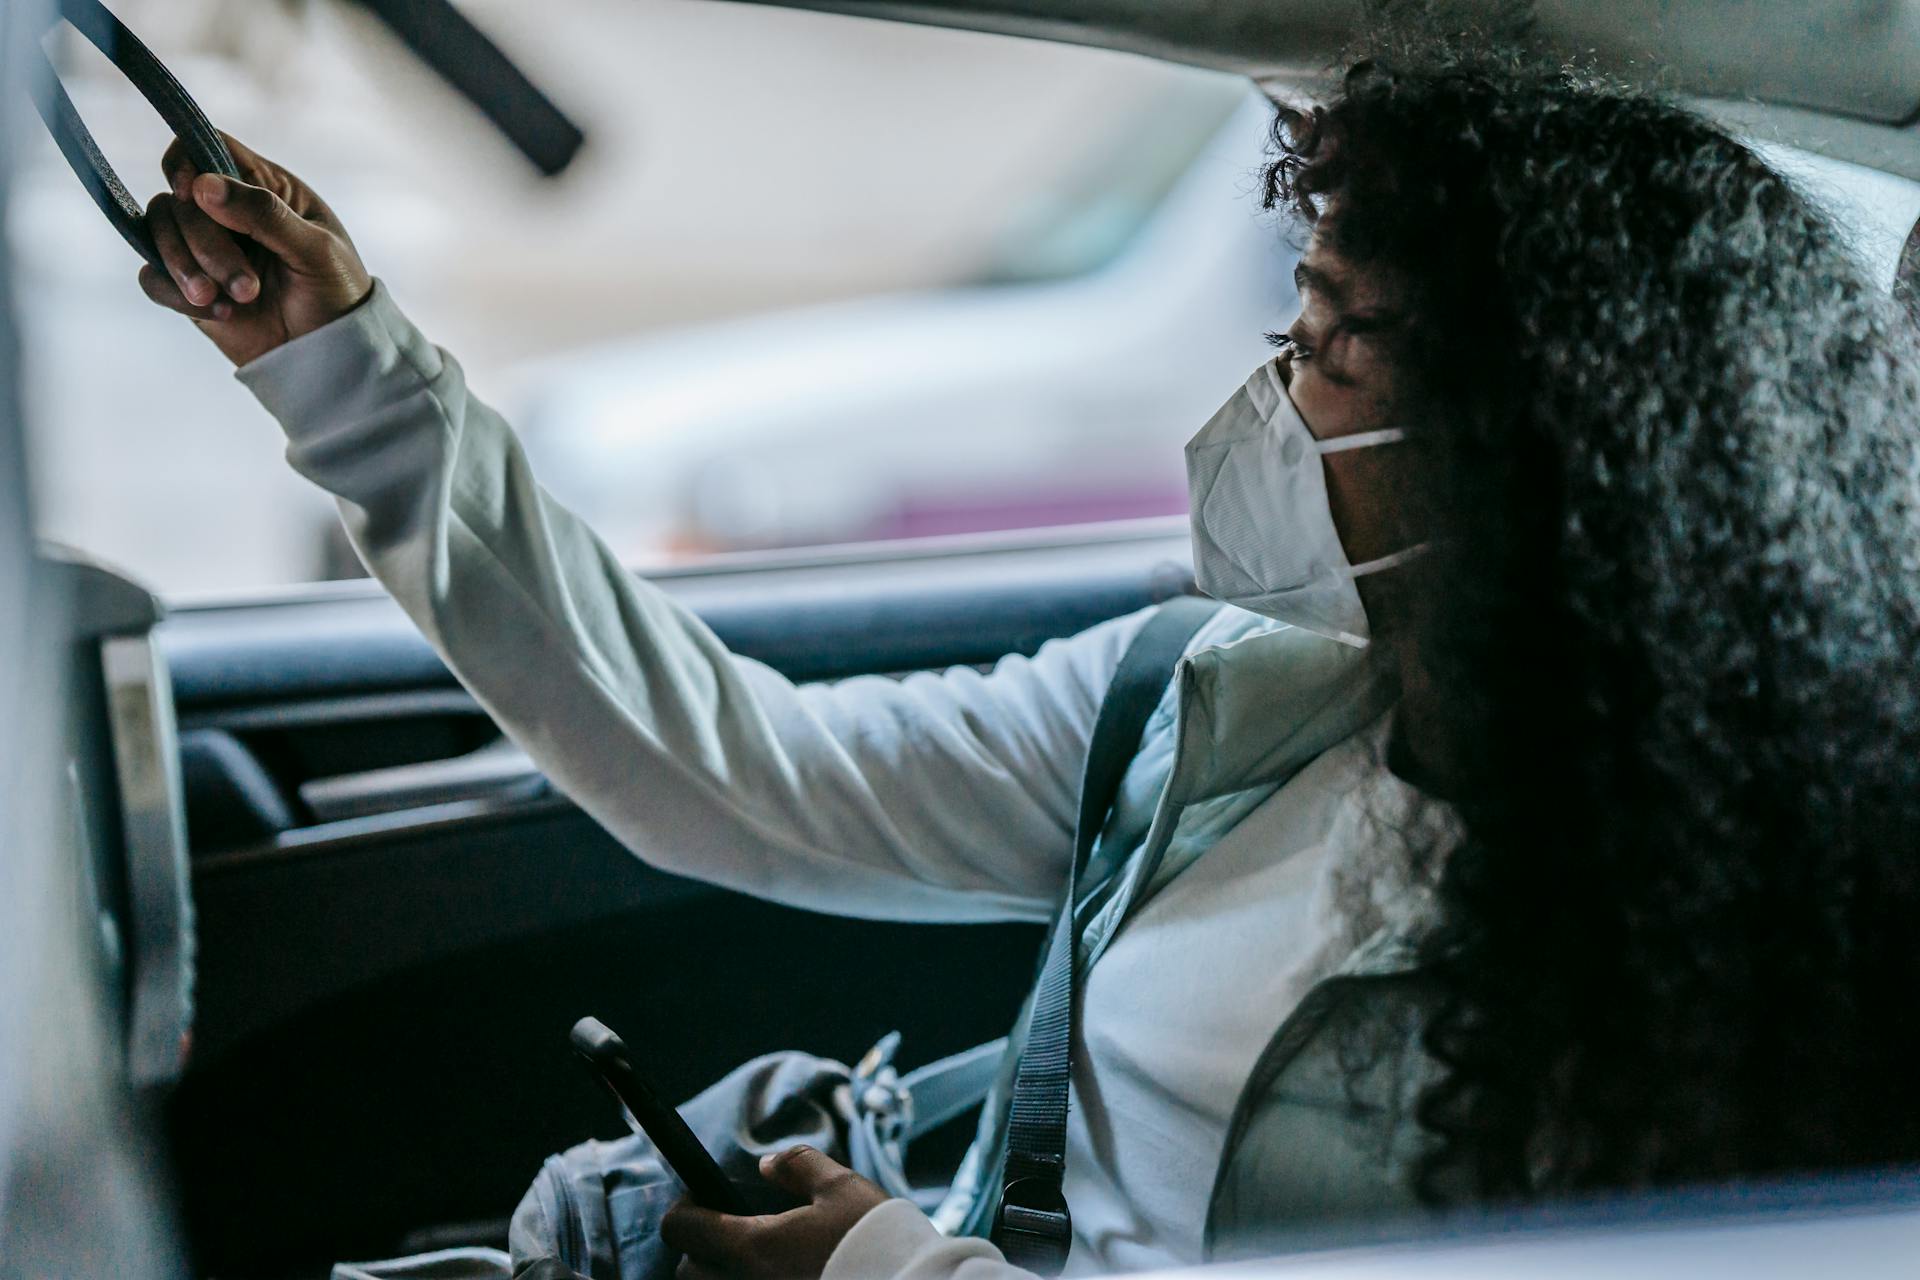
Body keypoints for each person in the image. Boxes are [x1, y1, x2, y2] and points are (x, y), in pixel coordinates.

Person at [137, 25, 1920, 1280]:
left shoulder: (1745, 947)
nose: (1271, 403)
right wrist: (349, 373)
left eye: (1329, 342)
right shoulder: (1217, 702)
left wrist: (892, 1275)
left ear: (1533, 440)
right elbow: (732, 769)